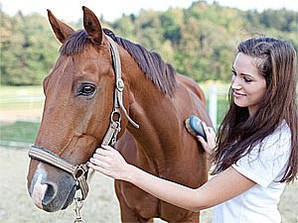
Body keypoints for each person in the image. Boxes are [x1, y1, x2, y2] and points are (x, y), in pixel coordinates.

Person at [87, 37, 297, 223]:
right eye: (235, 74)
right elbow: (242, 172)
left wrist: (126, 171)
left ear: (274, 85)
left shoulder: (275, 140)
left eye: (247, 79)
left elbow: (199, 200)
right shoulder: (251, 122)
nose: (235, 85)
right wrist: (217, 152)